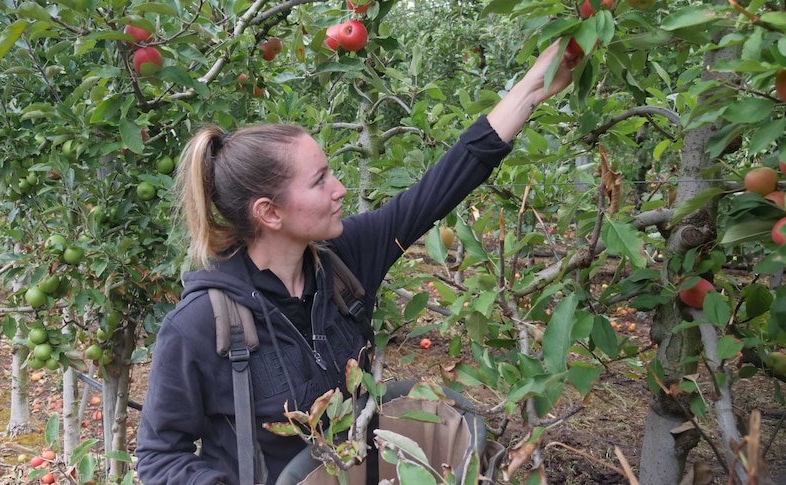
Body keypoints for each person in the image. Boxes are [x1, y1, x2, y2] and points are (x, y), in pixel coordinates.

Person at [135, 39, 582, 485]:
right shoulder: (200, 325)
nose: (340, 189)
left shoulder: (342, 263)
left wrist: (530, 89)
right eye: (320, 180)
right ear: (270, 212)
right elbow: (159, 459)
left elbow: (442, 185)